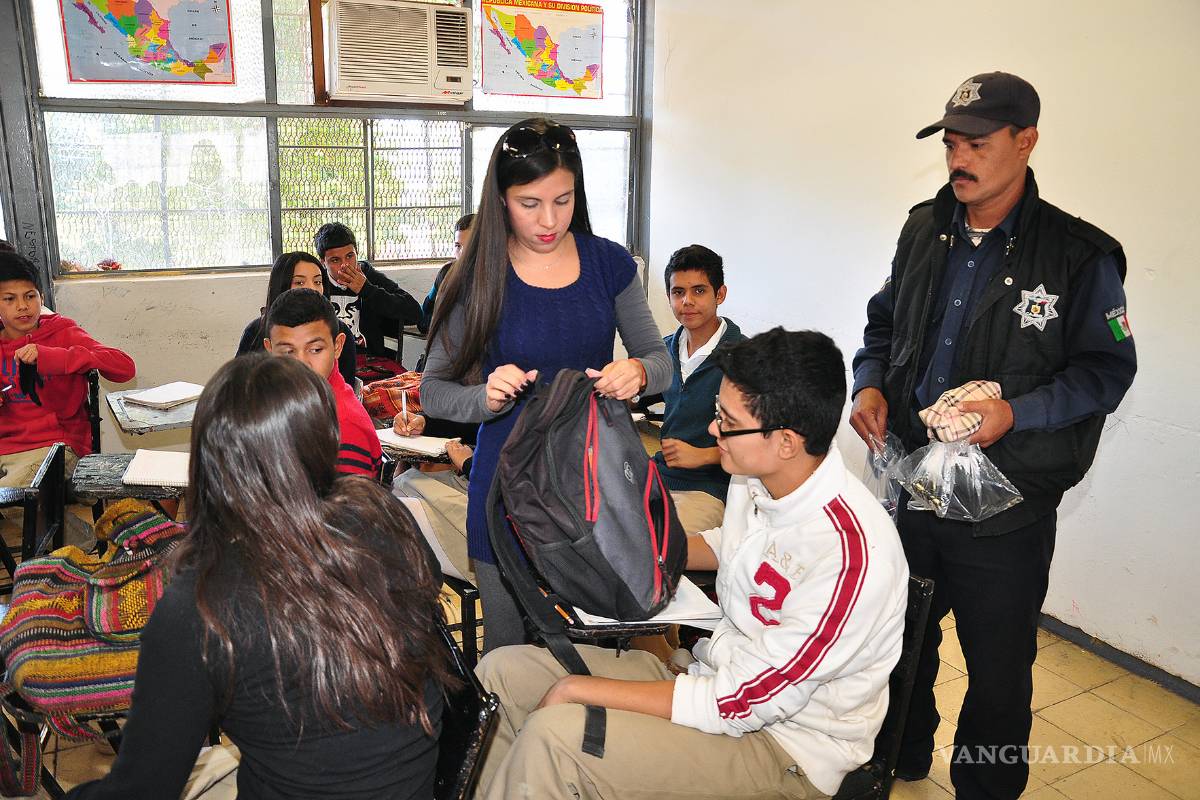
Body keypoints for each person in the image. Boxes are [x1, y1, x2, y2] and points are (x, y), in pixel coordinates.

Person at [849, 72, 1137, 799]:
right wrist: (871, 383)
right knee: (895, 638)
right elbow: (882, 323)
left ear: (1025, 141)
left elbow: (1105, 372)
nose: (958, 158)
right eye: (950, 143)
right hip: (915, 480)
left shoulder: (1078, 256)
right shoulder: (924, 228)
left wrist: (1018, 413)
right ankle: (899, 758)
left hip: (1006, 502)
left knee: (999, 672)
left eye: (976, 143)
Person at [474, 328, 909, 800]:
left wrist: (582, 689)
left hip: (787, 749)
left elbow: (741, 702)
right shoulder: (759, 477)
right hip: (710, 680)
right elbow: (732, 545)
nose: (712, 430)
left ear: (785, 441)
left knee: (557, 738)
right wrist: (627, 553)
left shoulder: (851, 555)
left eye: (726, 419)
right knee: (502, 674)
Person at [65, 354, 450, 799]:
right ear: (323, 440)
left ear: (209, 460)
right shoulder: (380, 510)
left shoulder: (199, 606)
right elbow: (428, 586)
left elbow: (142, 789)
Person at [420, 117, 671, 652]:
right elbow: (432, 391)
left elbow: (659, 359)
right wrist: (483, 397)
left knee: (588, 652)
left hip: (592, 485)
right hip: (505, 489)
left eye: (563, 199)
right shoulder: (476, 276)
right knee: (510, 655)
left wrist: (640, 372)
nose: (549, 219)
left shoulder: (609, 265)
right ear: (501, 199)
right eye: (529, 203)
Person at [0, 252, 135, 488]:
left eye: (29, 296)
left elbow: (124, 367)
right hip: (6, 448)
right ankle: (70, 526)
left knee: (14, 496)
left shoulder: (63, 333)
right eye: (9, 299)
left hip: (57, 446)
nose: (22, 306)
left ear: (41, 298)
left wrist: (56, 357)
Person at [651, 244, 747, 533]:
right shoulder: (663, 350)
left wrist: (705, 456)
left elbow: (767, 440)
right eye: (678, 292)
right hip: (658, 475)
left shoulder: (745, 357)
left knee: (662, 547)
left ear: (720, 294)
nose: (687, 301)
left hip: (710, 487)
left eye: (699, 291)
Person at [263, 288, 382, 479]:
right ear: (269, 350)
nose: (301, 363)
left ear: (337, 346)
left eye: (316, 349)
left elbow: (347, 507)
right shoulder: (283, 398)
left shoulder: (342, 427)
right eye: (287, 352)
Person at [235, 251, 357, 386]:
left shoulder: (340, 331)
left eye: (317, 282)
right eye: (299, 282)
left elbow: (345, 389)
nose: (312, 288)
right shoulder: (255, 331)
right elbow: (238, 386)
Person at [314, 221, 421, 356]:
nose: (345, 265)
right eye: (335, 260)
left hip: (369, 360)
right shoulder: (317, 282)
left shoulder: (369, 276)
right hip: (329, 359)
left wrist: (366, 289)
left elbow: (415, 314)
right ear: (323, 262)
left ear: (357, 253)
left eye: (350, 256)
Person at [418, 212, 475, 335]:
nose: (463, 253)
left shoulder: (498, 278)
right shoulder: (446, 273)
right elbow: (423, 321)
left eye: (470, 246)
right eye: (458, 246)